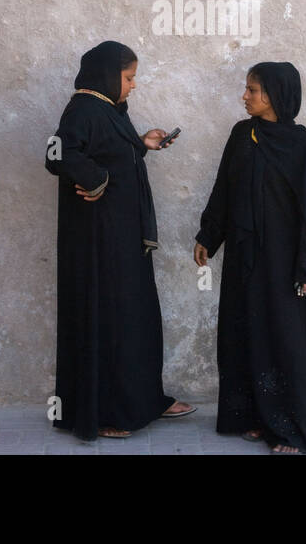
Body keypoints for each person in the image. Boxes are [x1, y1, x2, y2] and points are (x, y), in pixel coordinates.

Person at [45, 40, 194, 439]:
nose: (133, 86)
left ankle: (143, 400)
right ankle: (106, 413)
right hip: (100, 243)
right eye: (128, 78)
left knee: (135, 318)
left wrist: (141, 143)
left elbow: (109, 153)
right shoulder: (82, 109)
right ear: (108, 75)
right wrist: (93, 180)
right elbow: (56, 153)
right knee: (110, 320)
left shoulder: (107, 111)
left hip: (123, 238)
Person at [194, 61, 306, 453]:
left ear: (275, 95)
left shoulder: (301, 145)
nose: (245, 96)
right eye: (246, 89)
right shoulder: (243, 135)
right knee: (245, 333)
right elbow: (224, 189)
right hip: (245, 258)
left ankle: (292, 427)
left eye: (253, 90)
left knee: (286, 339)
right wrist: (209, 234)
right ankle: (256, 416)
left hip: (286, 261)